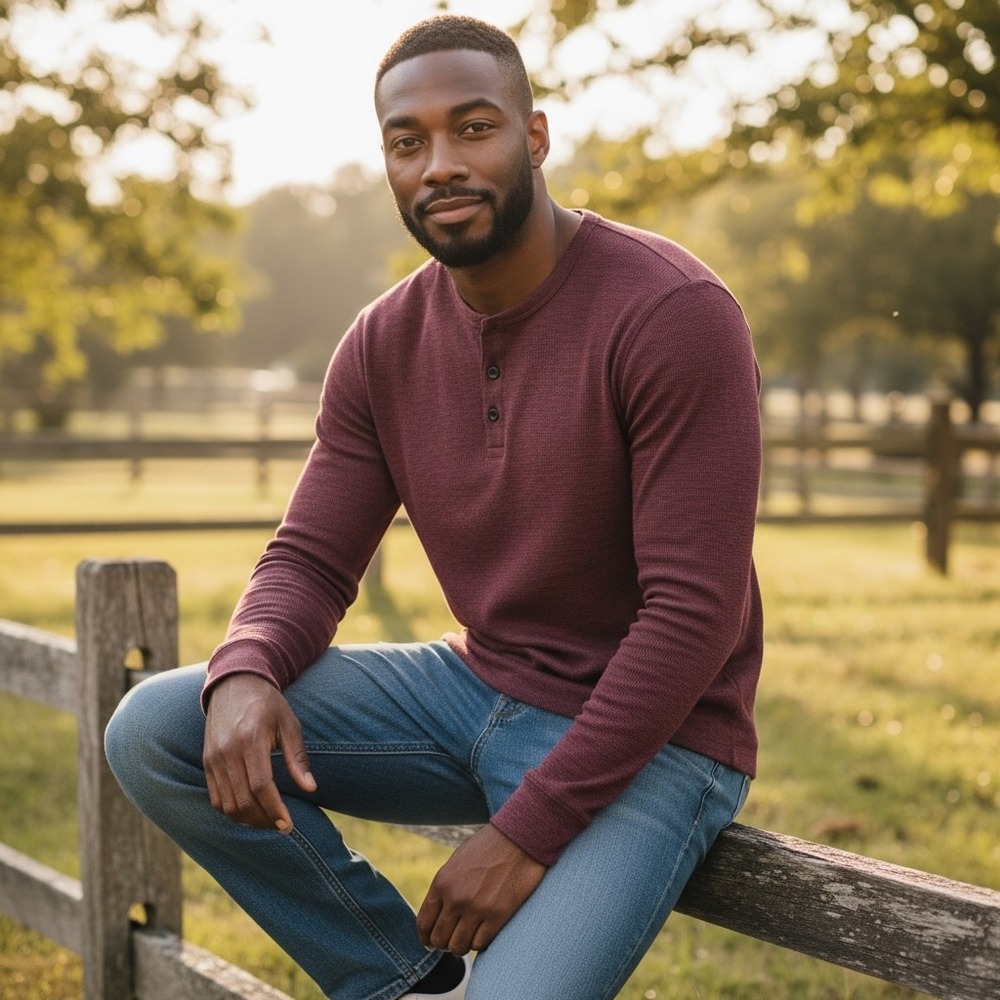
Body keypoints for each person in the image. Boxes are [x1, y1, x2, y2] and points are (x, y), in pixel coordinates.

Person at [105, 14, 764, 1000]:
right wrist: (246, 667)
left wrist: (524, 835)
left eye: (474, 128)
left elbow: (693, 615)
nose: (440, 163)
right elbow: (311, 557)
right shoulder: (382, 342)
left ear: (534, 137)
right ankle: (407, 980)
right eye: (407, 141)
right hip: (472, 690)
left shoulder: (671, 313)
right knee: (157, 727)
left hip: (656, 740)